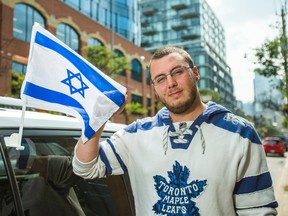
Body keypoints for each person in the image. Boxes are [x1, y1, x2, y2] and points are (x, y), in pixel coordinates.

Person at [73, 46, 278, 215]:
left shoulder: (241, 134)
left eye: (177, 72)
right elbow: (85, 167)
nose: (170, 83)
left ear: (195, 73)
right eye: (160, 79)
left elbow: (258, 211)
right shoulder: (136, 135)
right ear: (154, 86)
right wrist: (99, 117)